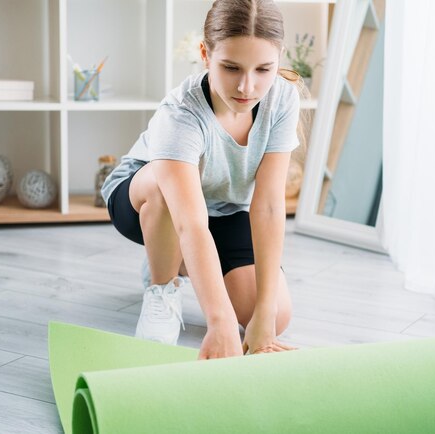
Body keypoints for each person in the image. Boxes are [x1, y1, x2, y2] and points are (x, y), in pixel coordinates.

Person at [101, 0, 308, 360]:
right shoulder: (180, 113)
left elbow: (270, 206)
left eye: (263, 69)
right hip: (147, 200)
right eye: (231, 67)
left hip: (225, 211)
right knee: (167, 197)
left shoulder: (283, 98)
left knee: (277, 315)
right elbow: (192, 223)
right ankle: (162, 288)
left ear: (279, 58)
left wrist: (264, 314)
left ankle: (172, 258)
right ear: (205, 54)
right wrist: (221, 321)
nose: (247, 86)